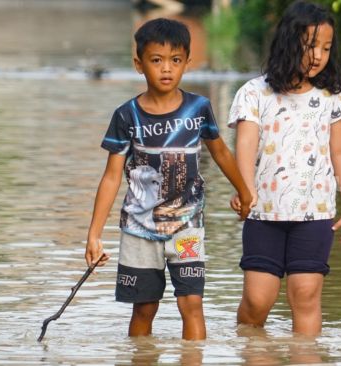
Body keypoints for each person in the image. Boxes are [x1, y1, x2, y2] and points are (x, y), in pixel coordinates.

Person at [84, 18, 253, 341]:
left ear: (187, 63)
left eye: (175, 60)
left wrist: (244, 191)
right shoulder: (126, 115)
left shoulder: (199, 109)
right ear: (138, 64)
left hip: (187, 225)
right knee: (144, 308)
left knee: (192, 304)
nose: (166, 69)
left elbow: (221, 153)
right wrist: (94, 235)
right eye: (156, 60)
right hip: (138, 229)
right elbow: (111, 177)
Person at [228, 0, 341, 336]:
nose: (318, 55)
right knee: (259, 300)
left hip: (314, 214)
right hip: (264, 214)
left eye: (326, 48)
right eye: (310, 45)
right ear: (288, 42)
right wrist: (245, 190)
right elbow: (245, 146)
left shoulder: (333, 96)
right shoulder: (254, 93)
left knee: (305, 295)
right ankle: (251, 348)